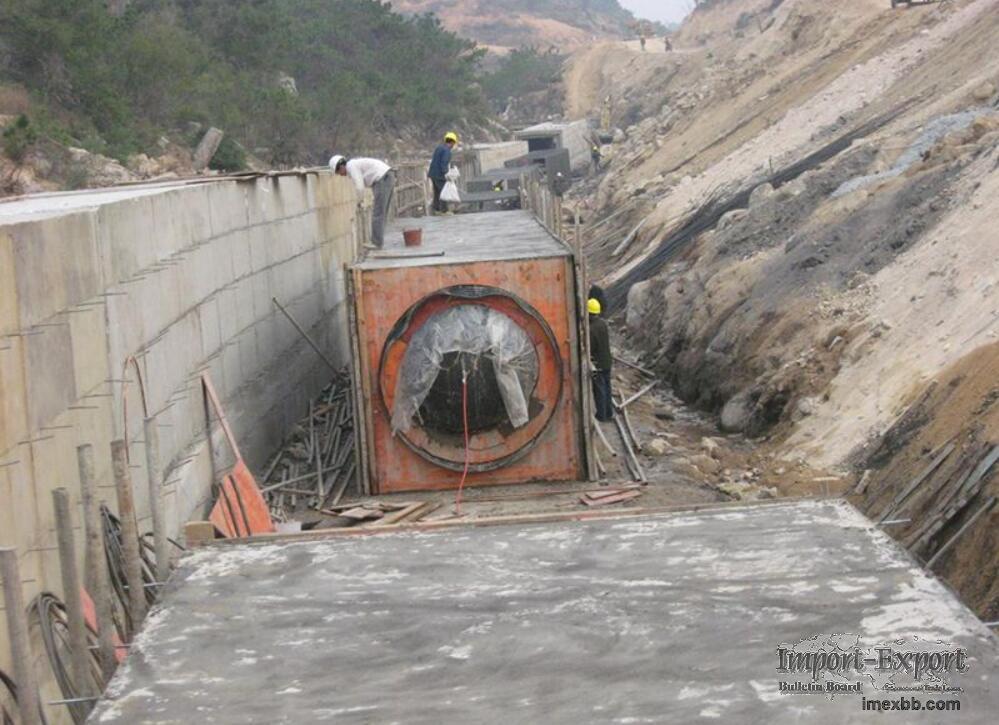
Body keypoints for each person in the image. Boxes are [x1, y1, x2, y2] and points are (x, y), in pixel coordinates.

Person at [329, 155, 395, 248]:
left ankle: (377, 243)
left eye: (338, 172)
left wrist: (359, 202)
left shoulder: (351, 166)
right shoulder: (354, 164)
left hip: (382, 179)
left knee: (378, 213)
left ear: (340, 166)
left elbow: (359, 187)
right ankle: (379, 241)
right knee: (381, 212)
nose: (340, 174)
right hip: (387, 176)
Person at [588, 298, 614, 422]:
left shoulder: (591, 329)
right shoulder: (603, 323)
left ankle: (601, 415)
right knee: (607, 388)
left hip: (598, 364)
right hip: (607, 362)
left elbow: (590, 349)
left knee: (599, 390)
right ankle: (609, 413)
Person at [428, 131, 458, 214]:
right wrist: (447, 175)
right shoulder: (447, 151)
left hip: (433, 174)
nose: (453, 145)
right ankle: (444, 211)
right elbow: (443, 164)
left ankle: (436, 209)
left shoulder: (439, 148)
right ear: (452, 142)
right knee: (444, 192)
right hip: (440, 175)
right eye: (454, 143)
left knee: (437, 192)